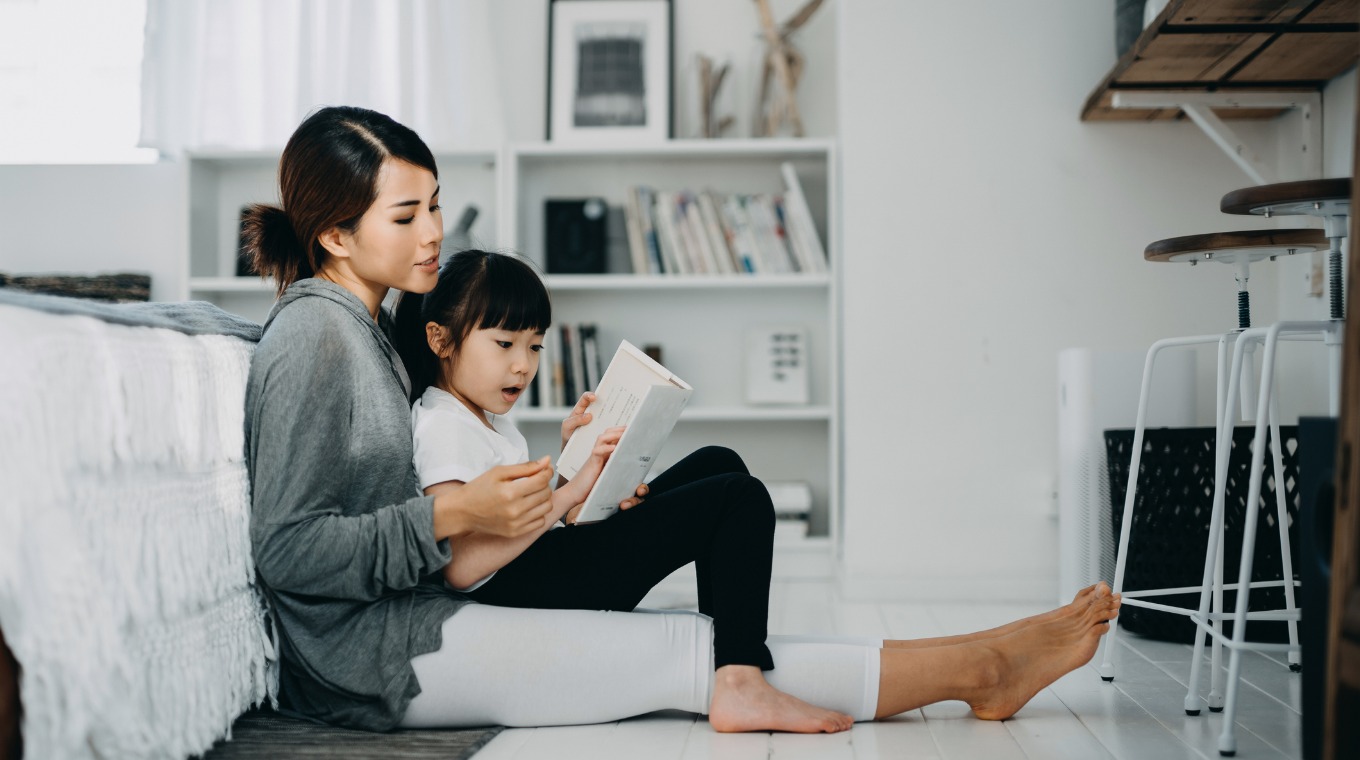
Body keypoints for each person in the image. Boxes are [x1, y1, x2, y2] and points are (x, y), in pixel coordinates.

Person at [243, 104, 1121, 735]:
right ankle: (980, 666)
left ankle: (978, 661)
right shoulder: (317, 338)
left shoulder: (365, 330)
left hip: (418, 611)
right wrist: (454, 515)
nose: (435, 230)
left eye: (435, 203)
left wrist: (560, 482)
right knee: (685, 648)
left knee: (710, 588)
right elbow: (286, 552)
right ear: (336, 237)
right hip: (374, 656)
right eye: (409, 214)